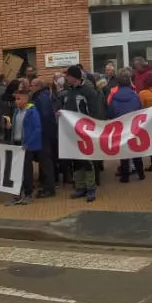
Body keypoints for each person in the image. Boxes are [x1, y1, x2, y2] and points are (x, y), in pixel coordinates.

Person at [60, 65, 103, 202]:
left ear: (73, 77)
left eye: (67, 75)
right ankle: (80, 187)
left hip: (85, 132)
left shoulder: (88, 91)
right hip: (72, 132)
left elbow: (95, 112)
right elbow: (66, 108)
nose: (66, 78)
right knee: (76, 160)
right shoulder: (68, 91)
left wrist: (92, 129)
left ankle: (91, 188)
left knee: (87, 160)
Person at [8, 88, 44, 206]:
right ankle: (18, 193)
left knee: (27, 170)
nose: (16, 101)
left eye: (18, 99)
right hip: (17, 144)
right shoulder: (16, 111)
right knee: (17, 170)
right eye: (15, 99)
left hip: (26, 145)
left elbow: (37, 129)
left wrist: (27, 143)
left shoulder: (32, 111)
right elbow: (17, 127)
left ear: (25, 99)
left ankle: (28, 193)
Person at [107, 70, 145, 183]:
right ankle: (141, 173)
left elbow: (111, 112)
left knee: (123, 151)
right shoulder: (135, 95)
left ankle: (125, 176)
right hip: (133, 126)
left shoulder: (113, 96)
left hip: (120, 126)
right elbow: (140, 109)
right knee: (135, 150)